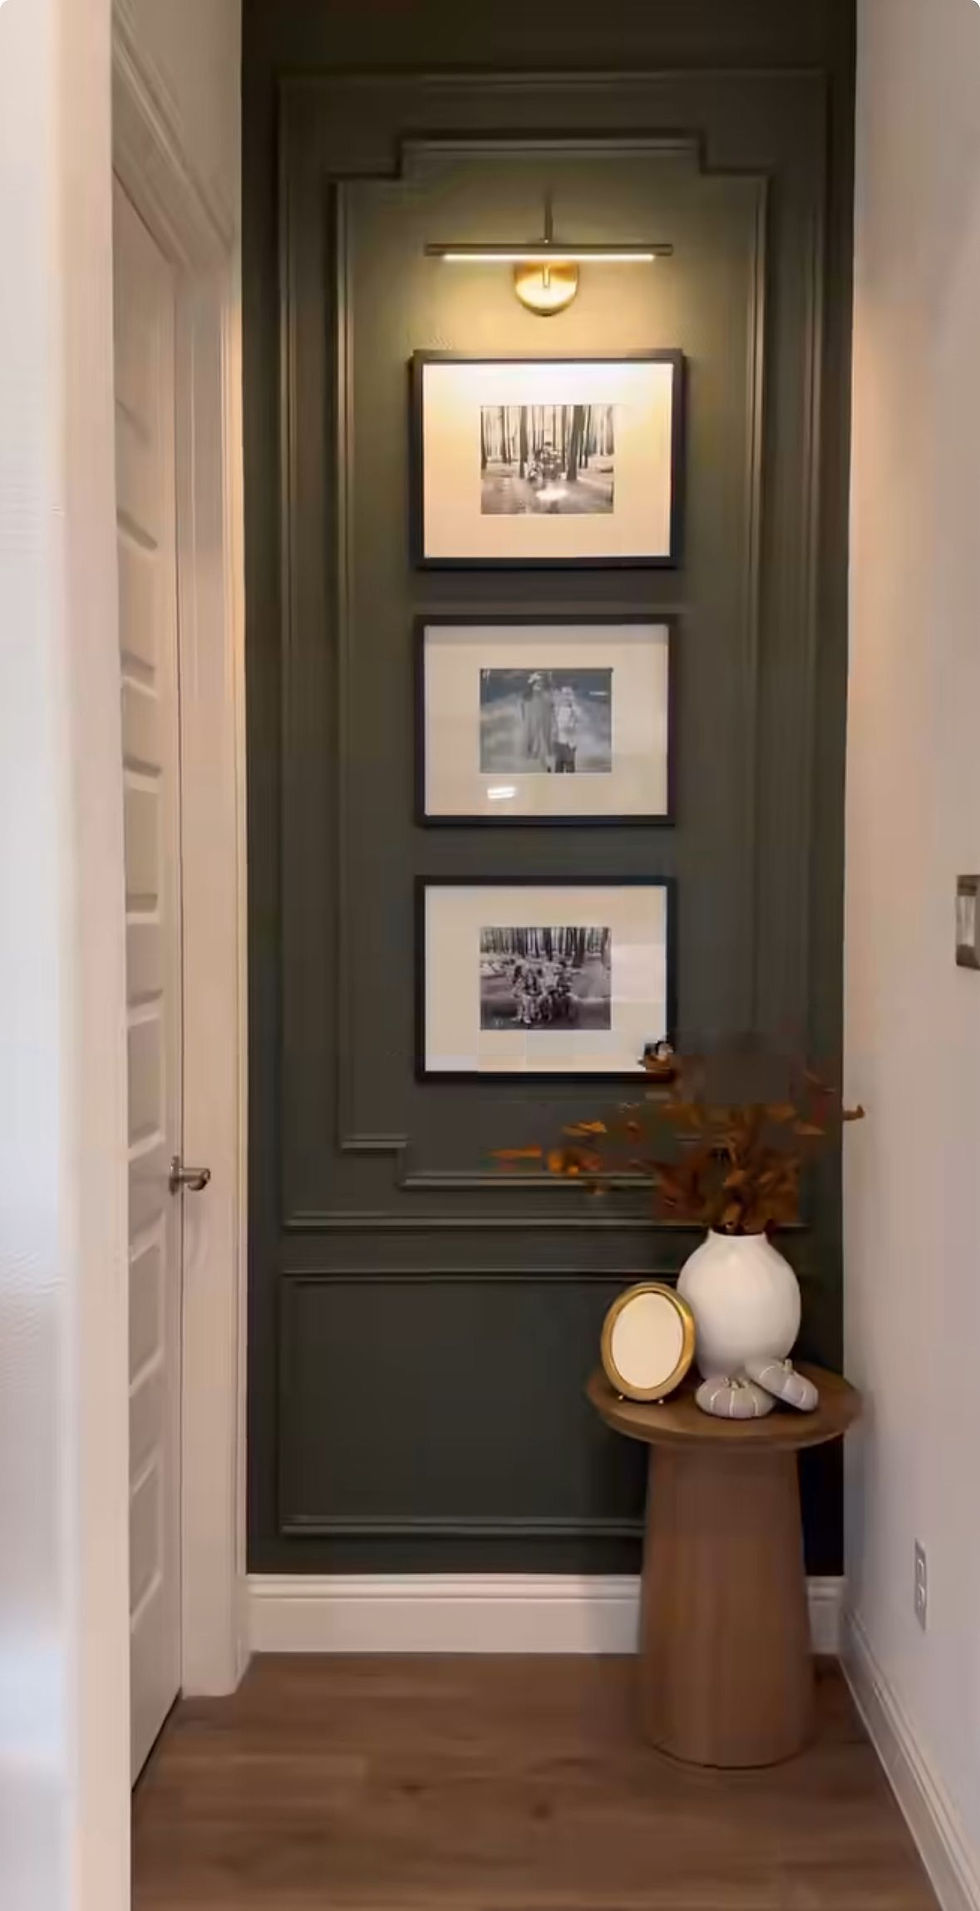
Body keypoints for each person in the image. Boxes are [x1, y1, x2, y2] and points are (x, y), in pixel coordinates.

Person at [521, 672, 556, 771]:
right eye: (537, 684)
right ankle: (532, 754)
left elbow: (551, 706)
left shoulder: (545, 695)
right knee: (533, 736)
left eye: (541, 684)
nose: (539, 686)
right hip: (533, 720)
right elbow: (524, 710)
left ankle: (545, 758)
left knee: (545, 737)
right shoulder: (528, 698)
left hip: (544, 720)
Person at [553, 684, 579, 773]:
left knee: (570, 769)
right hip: (558, 743)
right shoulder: (557, 709)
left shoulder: (574, 709)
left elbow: (579, 719)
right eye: (563, 694)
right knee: (558, 768)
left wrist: (573, 704)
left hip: (569, 744)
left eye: (568, 694)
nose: (565, 697)